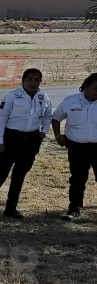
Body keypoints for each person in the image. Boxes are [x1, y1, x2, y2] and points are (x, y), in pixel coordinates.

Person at [0, 68, 51, 220]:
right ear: (23, 81)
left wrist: (43, 133)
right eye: (29, 79)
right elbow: (1, 119)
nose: (33, 83)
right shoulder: (12, 97)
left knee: (19, 175)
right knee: (0, 174)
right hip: (11, 138)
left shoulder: (44, 98)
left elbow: (47, 117)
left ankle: (11, 208)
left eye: (36, 79)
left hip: (31, 139)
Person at [51, 72, 97, 221]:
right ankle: (74, 209)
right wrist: (58, 136)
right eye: (96, 88)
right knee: (77, 179)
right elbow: (56, 117)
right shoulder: (70, 101)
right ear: (86, 86)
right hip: (77, 148)